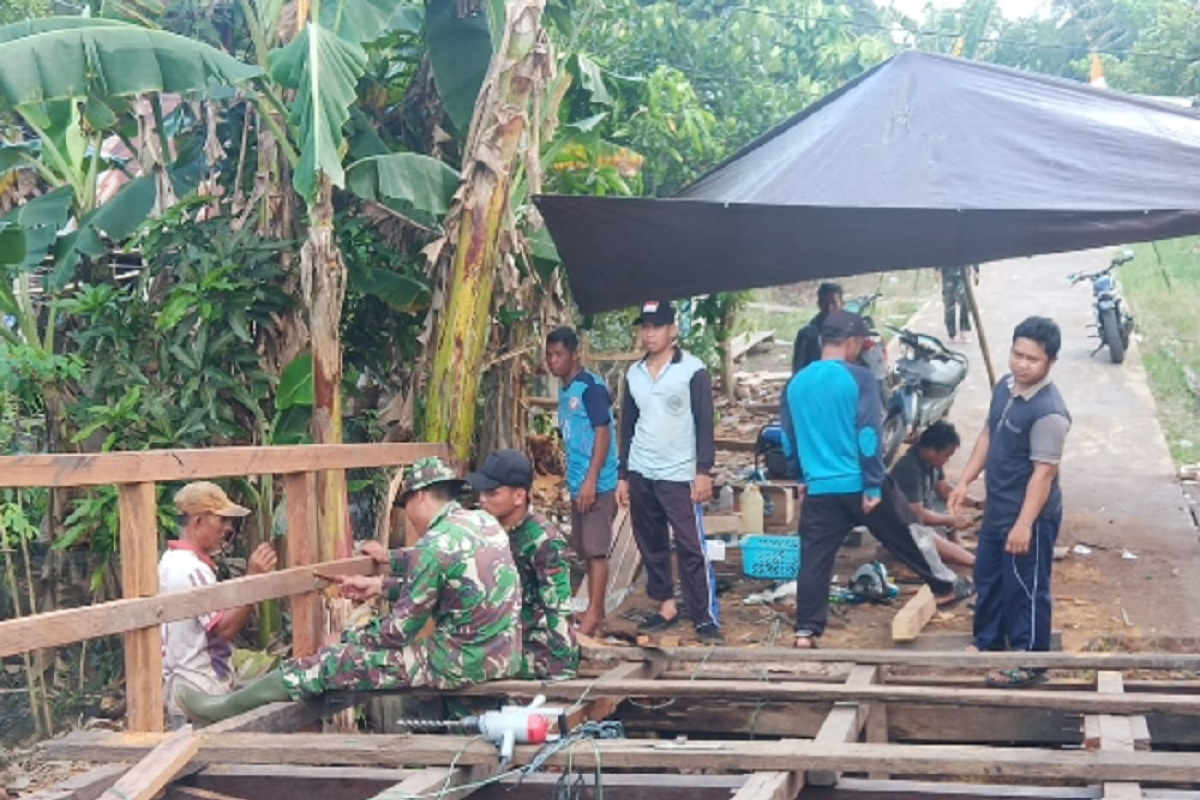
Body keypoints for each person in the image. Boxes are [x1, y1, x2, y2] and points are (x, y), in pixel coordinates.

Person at [174, 457, 522, 723]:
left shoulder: (434, 544)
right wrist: (382, 580)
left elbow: (400, 630)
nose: (409, 519)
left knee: (325, 665)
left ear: (419, 498)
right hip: (502, 654)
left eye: (407, 508)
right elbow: (447, 573)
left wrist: (345, 640)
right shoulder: (481, 523)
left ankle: (220, 710)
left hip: (459, 663)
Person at [782, 310, 974, 649]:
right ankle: (945, 586)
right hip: (859, 482)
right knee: (908, 530)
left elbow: (788, 438)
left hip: (820, 487)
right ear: (853, 342)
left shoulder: (795, 384)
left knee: (815, 558)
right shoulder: (859, 378)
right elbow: (869, 435)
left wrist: (801, 476)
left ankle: (806, 631)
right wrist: (872, 483)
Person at [949, 317, 1071, 688]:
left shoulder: (1050, 413)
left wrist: (1024, 525)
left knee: (1026, 587)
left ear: (1051, 362)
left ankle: (1028, 661)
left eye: (1032, 359)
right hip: (999, 507)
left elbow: (1043, 475)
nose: (1021, 364)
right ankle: (987, 642)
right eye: (1017, 354)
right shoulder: (1004, 388)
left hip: (1029, 514)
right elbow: (989, 433)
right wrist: (965, 479)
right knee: (988, 576)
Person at [617, 300, 722, 645]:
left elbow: (705, 422)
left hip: (679, 472)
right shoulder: (634, 374)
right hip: (641, 469)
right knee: (651, 542)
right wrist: (623, 475)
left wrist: (703, 470)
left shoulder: (693, 370)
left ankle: (704, 615)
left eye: (656, 327)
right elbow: (627, 426)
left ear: (672, 330)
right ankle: (665, 605)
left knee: (690, 544)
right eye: (644, 327)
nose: (649, 334)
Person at [160, 481, 277, 730]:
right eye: (221, 520)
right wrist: (253, 581)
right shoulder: (192, 570)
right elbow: (223, 629)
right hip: (200, 690)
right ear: (199, 521)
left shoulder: (170, 562)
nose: (227, 528)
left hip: (182, 687)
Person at [468, 449, 579, 680]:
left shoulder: (543, 540)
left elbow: (557, 608)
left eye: (492, 493)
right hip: (497, 637)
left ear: (519, 496)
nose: (482, 499)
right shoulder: (482, 527)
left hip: (533, 647)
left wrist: (563, 669)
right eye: (482, 492)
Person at [545, 325, 619, 636]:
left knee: (596, 550)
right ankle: (594, 611)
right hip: (578, 483)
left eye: (559, 354)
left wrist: (590, 481)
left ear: (575, 354)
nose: (552, 361)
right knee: (585, 549)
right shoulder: (566, 390)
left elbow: (603, 433)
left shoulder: (591, 388)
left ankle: (594, 613)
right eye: (549, 355)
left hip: (597, 484)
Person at [890, 421, 979, 567]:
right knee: (924, 533)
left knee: (949, 501)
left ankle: (956, 546)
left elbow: (945, 490)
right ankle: (974, 563)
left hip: (921, 517)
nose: (947, 461)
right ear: (932, 450)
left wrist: (977, 504)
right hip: (903, 525)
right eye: (945, 456)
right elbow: (917, 514)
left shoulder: (932, 464)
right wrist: (952, 520)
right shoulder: (908, 468)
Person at [792, 282, 844, 374]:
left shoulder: (852, 332)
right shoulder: (806, 335)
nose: (829, 308)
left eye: (834, 303)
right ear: (818, 304)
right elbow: (798, 372)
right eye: (825, 303)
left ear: (842, 303)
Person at [940, 266, 980, 344]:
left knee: (965, 302)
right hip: (947, 274)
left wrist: (976, 270)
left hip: (963, 274)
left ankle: (963, 331)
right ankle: (951, 334)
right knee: (949, 305)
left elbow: (972, 253)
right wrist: (937, 269)